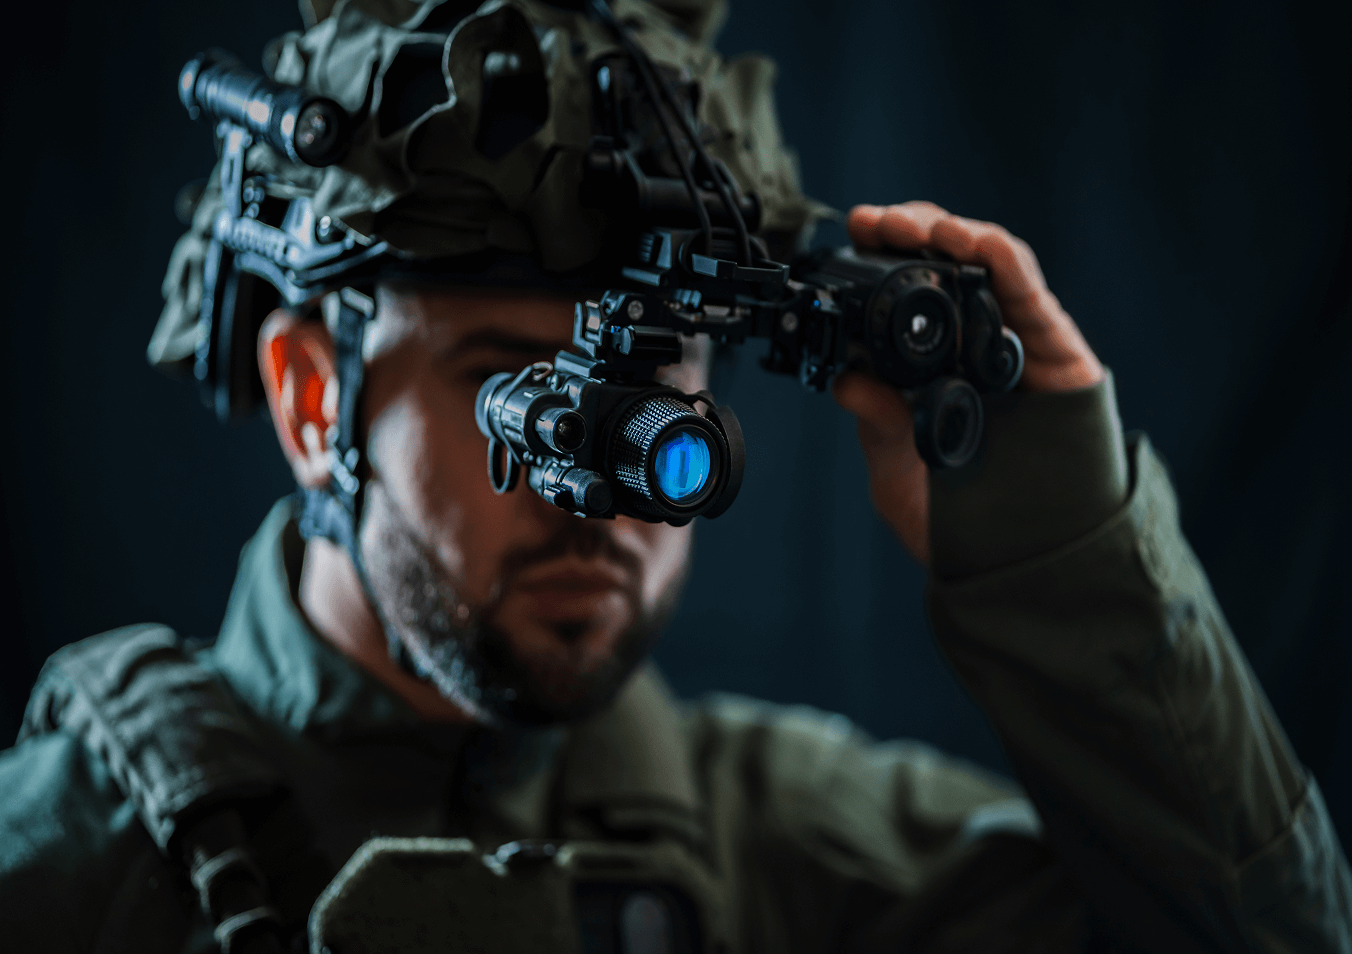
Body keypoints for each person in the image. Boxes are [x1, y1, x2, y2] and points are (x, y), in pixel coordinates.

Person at [1, 0, 1349, 951]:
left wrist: (1059, 530)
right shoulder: (67, 864)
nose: (605, 485)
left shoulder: (800, 858)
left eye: (657, 381)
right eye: (512, 388)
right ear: (311, 399)